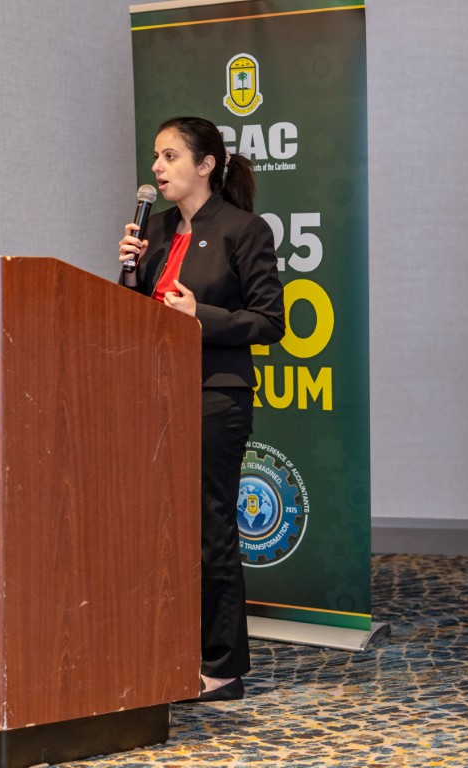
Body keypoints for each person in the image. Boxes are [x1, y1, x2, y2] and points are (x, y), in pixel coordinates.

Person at [118, 116, 285, 702]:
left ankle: (221, 666)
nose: (156, 168)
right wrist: (130, 273)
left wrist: (200, 316)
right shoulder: (155, 231)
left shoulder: (243, 230)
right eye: (155, 157)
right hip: (154, 393)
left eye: (170, 156)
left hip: (214, 395)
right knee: (156, 524)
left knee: (208, 526)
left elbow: (270, 322)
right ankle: (166, 644)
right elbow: (135, 318)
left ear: (206, 164)